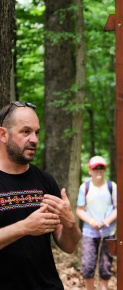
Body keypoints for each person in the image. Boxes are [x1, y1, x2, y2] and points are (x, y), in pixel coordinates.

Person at [0, 101, 81, 290]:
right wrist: (25, 227)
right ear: (3, 134)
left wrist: (70, 223)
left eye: (37, 132)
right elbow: (26, 228)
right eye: (26, 131)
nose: (34, 139)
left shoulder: (45, 181)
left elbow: (69, 247)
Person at [76, 156, 117, 290]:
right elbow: (79, 210)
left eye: (101, 168)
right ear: (90, 170)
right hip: (89, 232)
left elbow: (118, 209)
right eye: (95, 168)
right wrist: (92, 221)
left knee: (106, 266)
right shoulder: (85, 187)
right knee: (88, 265)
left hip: (108, 232)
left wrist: (108, 220)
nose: (98, 171)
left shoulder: (112, 186)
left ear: (104, 169)